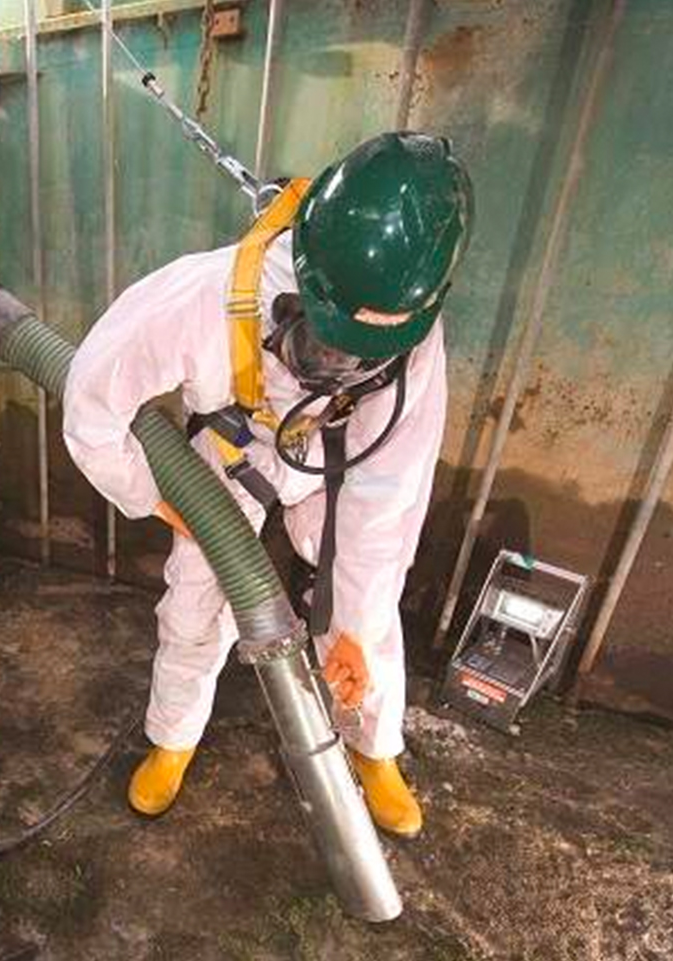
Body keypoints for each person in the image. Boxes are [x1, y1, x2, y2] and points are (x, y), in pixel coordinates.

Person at [63, 132, 473, 837]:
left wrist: (355, 626)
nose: (340, 359)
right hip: (235, 445)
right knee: (198, 595)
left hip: (335, 453)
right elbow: (90, 401)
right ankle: (173, 738)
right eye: (330, 336)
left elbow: (389, 496)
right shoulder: (204, 296)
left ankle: (373, 750)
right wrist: (149, 494)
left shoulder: (412, 337)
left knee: (365, 617)